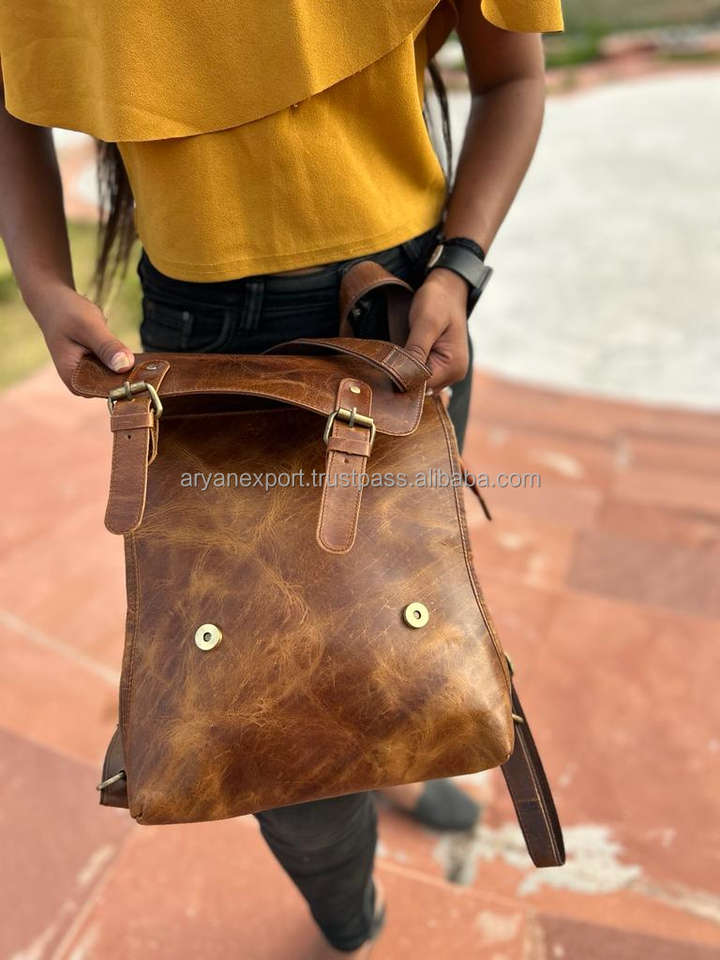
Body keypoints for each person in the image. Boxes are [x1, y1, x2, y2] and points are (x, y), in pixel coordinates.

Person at [0, 0, 563, 955]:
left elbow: (513, 76)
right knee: (267, 721)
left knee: (394, 614)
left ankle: (398, 767)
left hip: (405, 316)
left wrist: (460, 270)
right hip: (208, 344)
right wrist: (44, 286)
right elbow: (12, 91)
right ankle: (348, 916)